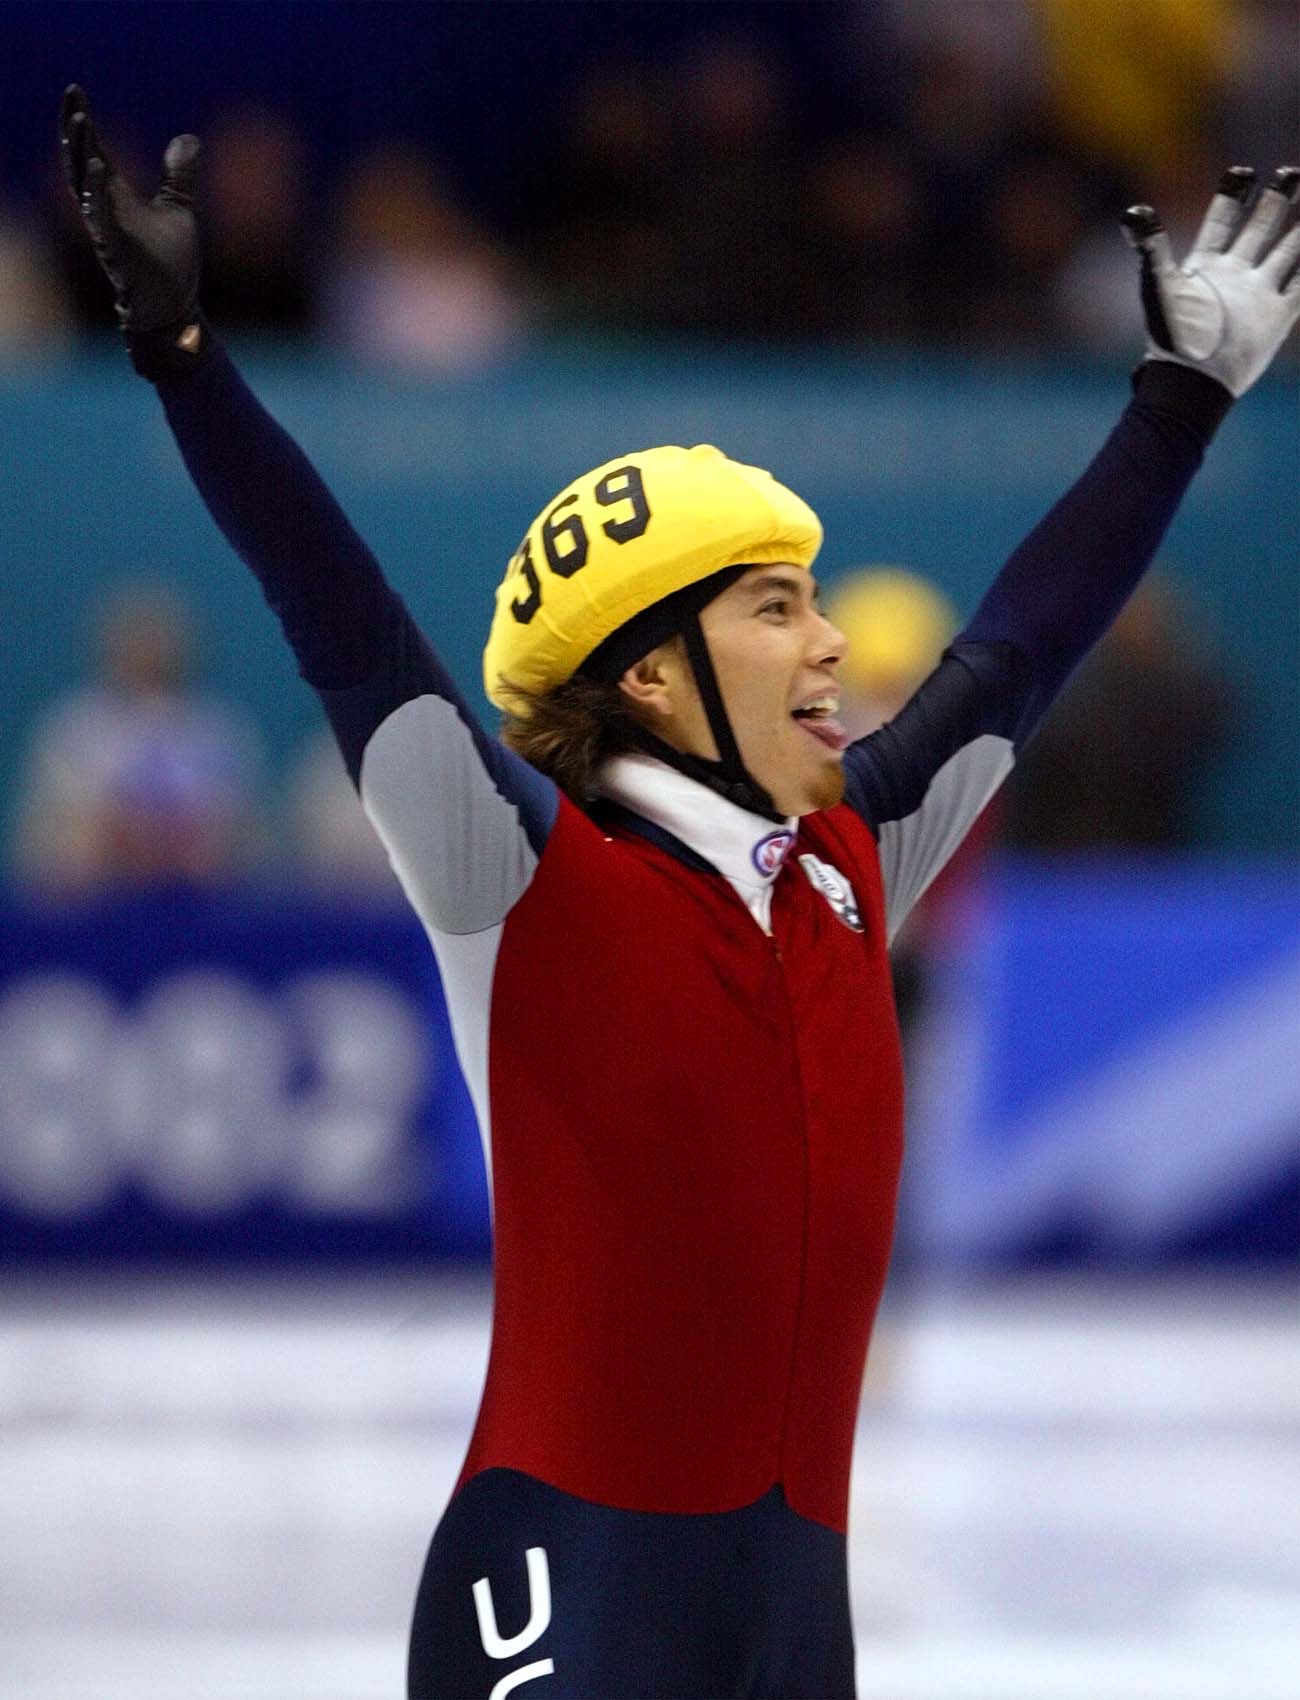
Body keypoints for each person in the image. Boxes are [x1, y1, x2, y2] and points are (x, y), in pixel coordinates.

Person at [58, 85, 1299, 1700]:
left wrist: (1181, 401)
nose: (838, 643)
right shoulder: (515, 878)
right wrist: (189, 370)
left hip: (800, 1609)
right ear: (651, 677)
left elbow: (1024, 646)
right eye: (781, 607)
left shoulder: (856, 859)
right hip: (565, 1587)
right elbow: (348, 625)